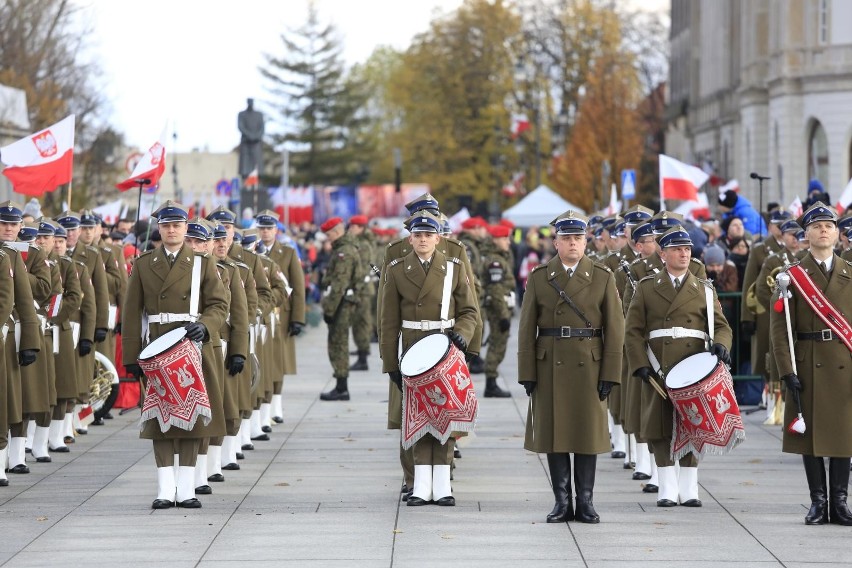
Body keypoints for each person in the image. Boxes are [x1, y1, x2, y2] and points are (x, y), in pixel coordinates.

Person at [517, 210, 624, 523]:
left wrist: (610, 374)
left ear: (586, 241)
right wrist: (527, 372)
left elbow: (615, 330)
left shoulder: (602, 276)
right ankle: (562, 501)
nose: (573, 243)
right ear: (555, 242)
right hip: (551, 363)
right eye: (566, 238)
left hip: (589, 363)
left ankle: (586, 502)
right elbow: (526, 329)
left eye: (578, 238)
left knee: (587, 434)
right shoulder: (540, 277)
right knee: (556, 433)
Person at [122, 201, 228, 509]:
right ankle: (165, 488)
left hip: (191, 346)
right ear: (159, 228)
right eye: (167, 225)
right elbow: (131, 314)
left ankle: (187, 488)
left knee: (194, 419)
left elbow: (219, 304)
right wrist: (132, 356)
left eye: (177, 225)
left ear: (185, 228)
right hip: (158, 348)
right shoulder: (143, 264)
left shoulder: (201, 263)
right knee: (161, 420)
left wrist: (206, 326)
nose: (172, 229)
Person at [625, 225, 732, 507]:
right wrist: (639, 364)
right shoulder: (647, 288)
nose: (684, 254)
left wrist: (721, 345)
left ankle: (690, 488)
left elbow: (722, 327)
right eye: (676, 249)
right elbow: (632, 330)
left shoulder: (704, 290)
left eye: (687, 249)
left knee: (692, 424)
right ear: (663, 254)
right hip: (658, 367)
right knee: (659, 427)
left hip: (692, 369)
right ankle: (667, 488)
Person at [380, 211, 479, 506]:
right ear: (410, 238)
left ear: (439, 238)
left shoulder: (454, 267)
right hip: (413, 348)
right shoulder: (397, 269)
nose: (423, 240)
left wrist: (463, 334)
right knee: (419, 417)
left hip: (444, 348)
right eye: (418, 235)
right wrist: (390, 364)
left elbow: (469, 310)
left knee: (446, 415)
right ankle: (421, 485)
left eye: (428, 235)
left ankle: (443, 484)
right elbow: (388, 321)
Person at [770, 202, 852, 526]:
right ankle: (818, 501)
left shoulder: (850, 273)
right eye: (817, 226)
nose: (823, 230)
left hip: (844, 360)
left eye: (829, 226)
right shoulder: (791, 277)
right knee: (811, 437)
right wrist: (786, 370)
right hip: (807, 361)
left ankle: (841, 502)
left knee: (845, 435)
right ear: (806, 234)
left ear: (837, 233)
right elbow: (780, 331)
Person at [255, 209, 306, 424]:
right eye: (262, 228)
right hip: (261, 314)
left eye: (269, 228)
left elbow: (298, 286)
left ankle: (276, 404)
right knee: (262, 360)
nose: (266, 232)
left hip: (281, 314)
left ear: (276, 230)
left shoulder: (287, 252)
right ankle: (265, 406)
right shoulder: (251, 251)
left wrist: (297, 318)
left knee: (279, 360)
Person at [318, 217, 363, 401]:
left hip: (341, 305)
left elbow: (339, 285)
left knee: (338, 345)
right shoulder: (345, 249)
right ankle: (340, 385)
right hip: (343, 303)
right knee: (338, 343)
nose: (328, 239)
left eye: (329, 235)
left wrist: (329, 310)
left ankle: (342, 387)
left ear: (336, 232)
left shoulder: (344, 252)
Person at [480, 224, 515, 397]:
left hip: (501, 307)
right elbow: (496, 289)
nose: (508, 242)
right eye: (504, 238)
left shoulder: (500, 257)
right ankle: (491, 383)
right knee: (496, 345)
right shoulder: (496, 261)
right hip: (498, 309)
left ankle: (491, 382)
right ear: (495, 240)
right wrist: (503, 315)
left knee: (498, 344)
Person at [346, 214, 376, 372]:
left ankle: (363, 358)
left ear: (361, 228)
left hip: (362, 290)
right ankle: (361, 352)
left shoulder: (363, 245)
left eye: (353, 226)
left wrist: (353, 287)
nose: (351, 229)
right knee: (358, 324)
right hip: (360, 289)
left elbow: (363, 269)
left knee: (361, 324)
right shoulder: (359, 243)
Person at [238, 97, 264, 178]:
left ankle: (256, 180)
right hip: (246, 141)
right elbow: (240, 126)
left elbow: (262, 128)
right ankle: (245, 180)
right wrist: (249, 135)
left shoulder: (259, 115)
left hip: (256, 142)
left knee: (256, 162)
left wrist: (256, 136)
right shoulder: (241, 114)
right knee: (245, 163)